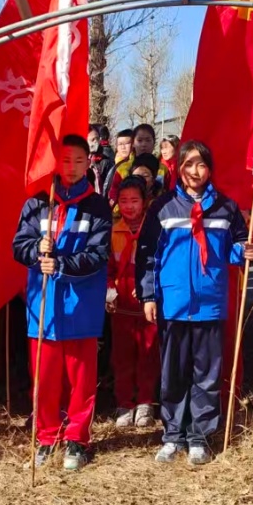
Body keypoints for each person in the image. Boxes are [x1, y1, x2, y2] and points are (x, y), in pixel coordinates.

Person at [137, 140, 253, 466]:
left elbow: (235, 249)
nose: (194, 171)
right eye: (188, 164)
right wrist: (148, 294)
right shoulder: (162, 207)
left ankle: (200, 436)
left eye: (201, 165)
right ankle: (173, 435)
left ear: (210, 169)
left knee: (206, 373)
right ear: (179, 167)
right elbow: (147, 255)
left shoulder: (226, 208)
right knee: (173, 372)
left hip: (210, 302)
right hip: (173, 302)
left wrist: (245, 252)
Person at [13, 135, 113, 471]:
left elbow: (99, 254)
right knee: (44, 376)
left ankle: (78, 438)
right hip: (42, 307)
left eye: (78, 161)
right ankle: (46, 436)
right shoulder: (38, 202)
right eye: (65, 160)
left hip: (81, 306)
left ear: (89, 163)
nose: (71, 168)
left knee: (81, 378)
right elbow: (19, 245)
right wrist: (35, 253)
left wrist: (62, 264)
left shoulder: (97, 206)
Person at [108, 176, 158, 429]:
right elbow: (107, 267)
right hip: (121, 305)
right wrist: (109, 291)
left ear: (145, 202)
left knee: (148, 353)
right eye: (124, 200)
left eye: (134, 200)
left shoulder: (154, 229)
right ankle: (124, 403)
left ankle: (146, 402)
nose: (129, 206)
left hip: (149, 306)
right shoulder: (113, 231)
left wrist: (153, 291)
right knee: (122, 355)